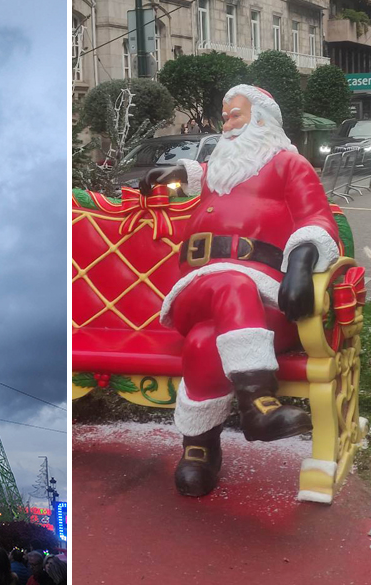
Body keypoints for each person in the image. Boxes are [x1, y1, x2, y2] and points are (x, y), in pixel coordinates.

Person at [138, 84, 344, 497]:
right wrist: (178, 173)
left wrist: (303, 262)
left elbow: (318, 220)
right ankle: (258, 404)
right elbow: (209, 175)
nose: (226, 124)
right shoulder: (219, 170)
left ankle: (199, 447)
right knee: (230, 284)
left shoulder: (290, 165)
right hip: (197, 289)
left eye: (235, 115)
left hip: (264, 298)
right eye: (225, 116)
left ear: (262, 121)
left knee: (204, 341)